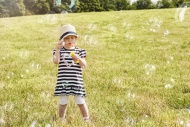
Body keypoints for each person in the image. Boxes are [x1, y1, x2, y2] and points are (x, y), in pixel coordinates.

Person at [52, 24, 90, 122]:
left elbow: (84, 65)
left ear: (75, 39)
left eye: (72, 38)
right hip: (63, 81)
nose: (70, 40)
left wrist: (79, 58)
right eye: (67, 38)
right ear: (63, 40)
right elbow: (56, 61)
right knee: (63, 101)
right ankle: (61, 119)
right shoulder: (59, 51)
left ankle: (86, 118)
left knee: (80, 101)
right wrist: (57, 49)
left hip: (76, 81)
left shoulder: (79, 51)